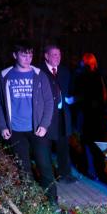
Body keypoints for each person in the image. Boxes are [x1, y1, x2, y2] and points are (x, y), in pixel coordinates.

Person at [0, 42, 58, 210]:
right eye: (23, 55)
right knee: (23, 169)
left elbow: (49, 102)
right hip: (15, 130)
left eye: (30, 55)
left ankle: (53, 204)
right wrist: (2, 126)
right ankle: (31, 204)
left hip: (37, 129)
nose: (28, 58)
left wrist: (44, 125)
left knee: (45, 166)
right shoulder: (4, 75)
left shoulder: (39, 74)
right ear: (15, 55)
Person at [39, 44, 77, 183]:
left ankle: (65, 174)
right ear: (46, 56)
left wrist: (71, 99)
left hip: (63, 115)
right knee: (46, 148)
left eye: (59, 55)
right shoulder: (39, 72)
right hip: (47, 117)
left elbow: (71, 90)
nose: (57, 57)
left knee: (63, 146)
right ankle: (48, 176)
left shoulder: (65, 72)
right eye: (54, 54)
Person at [74, 52, 107, 180]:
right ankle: (100, 171)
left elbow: (81, 97)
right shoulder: (100, 76)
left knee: (88, 145)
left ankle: (91, 171)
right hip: (99, 117)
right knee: (98, 146)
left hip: (88, 117)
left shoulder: (83, 76)